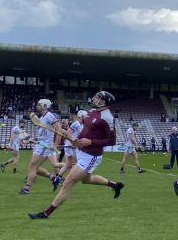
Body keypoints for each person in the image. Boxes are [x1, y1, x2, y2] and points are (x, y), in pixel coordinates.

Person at [28, 91, 124, 219]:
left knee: (68, 182)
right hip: (82, 151)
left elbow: (112, 140)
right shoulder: (91, 112)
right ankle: (115, 185)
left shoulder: (107, 117)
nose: (94, 98)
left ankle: (46, 213)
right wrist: (76, 140)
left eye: (97, 97)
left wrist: (90, 142)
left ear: (103, 101)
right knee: (86, 180)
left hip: (92, 155)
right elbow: (86, 131)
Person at [19, 99, 65, 195]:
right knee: (36, 169)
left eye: (39, 104)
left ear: (45, 105)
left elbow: (59, 130)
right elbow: (43, 133)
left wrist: (55, 145)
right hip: (40, 144)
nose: (37, 106)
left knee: (32, 166)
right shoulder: (43, 117)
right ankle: (54, 178)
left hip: (45, 146)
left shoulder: (50, 116)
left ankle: (26, 189)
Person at [54, 111, 87, 189]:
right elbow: (68, 133)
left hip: (72, 145)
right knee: (80, 162)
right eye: (85, 117)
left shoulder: (81, 125)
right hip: (71, 146)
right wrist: (73, 141)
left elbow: (68, 133)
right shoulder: (76, 123)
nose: (86, 118)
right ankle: (69, 179)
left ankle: (57, 179)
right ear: (81, 116)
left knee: (68, 164)